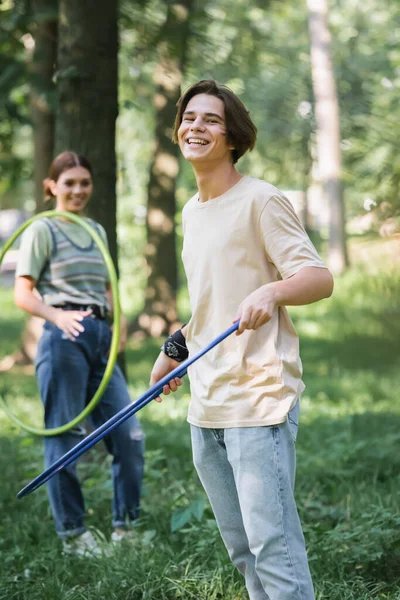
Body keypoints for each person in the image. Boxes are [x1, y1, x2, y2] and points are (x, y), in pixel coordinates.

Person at [150, 80, 334, 600]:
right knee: (242, 549)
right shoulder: (191, 210)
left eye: (211, 119)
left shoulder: (261, 200)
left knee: (271, 545)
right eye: (189, 118)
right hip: (206, 402)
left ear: (232, 136)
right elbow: (210, 306)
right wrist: (173, 351)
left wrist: (273, 291)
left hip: (258, 398)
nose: (196, 127)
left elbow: (318, 278)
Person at [15, 151, 144, 556]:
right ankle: (74, 535)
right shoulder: (43, 230)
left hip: (101, 337)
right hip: (63, 339)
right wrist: (57, 315)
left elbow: (107, 284)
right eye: (68, 182)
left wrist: (116, 324)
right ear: (51, 186)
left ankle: (127, 528)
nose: (78, 190)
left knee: (129, 434)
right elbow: (23, 293)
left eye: (84, 182)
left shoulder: (96, 230)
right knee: (65, 435)